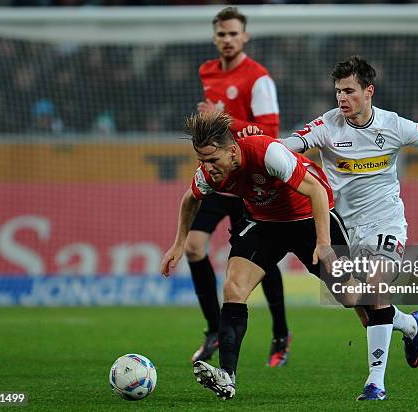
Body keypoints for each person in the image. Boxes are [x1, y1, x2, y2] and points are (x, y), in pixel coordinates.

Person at [245, 56, 418, 400]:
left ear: (369, 91)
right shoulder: (326, 126)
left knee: (376, 286)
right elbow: (285, 148)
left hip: (386, 223)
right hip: (343, 230)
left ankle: (375, 382)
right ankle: (409, 325)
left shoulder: (394, 126)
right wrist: (258, 147)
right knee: (362, 308)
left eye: (349, 91)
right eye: (338, 91)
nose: (342, 98)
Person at [161, 111, 354, 400]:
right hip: (265, 224)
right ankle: (227, 376)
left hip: (308, 218)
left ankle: (405, 321)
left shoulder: (267, 153)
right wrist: (179, 244)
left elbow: (316, 191)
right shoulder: (209, 174)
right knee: (233, 287)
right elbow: (190, 199)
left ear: (233, 150)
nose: (207, 167)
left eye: (213, 160)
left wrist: (324, 243)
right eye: (202, 160)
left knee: (351, 297)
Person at [187, 6, 291, 367]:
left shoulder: (258, 77)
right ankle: (213, 329)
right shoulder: (207, 71)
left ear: (244, 36)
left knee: (261, 261)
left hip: (250, 183)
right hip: (219, 180)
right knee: (193, 247)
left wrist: (222, 118)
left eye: (233, 34)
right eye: (221, 34)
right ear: (214, 37)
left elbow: (271, 135)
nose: (227, 40)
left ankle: (280, 334)